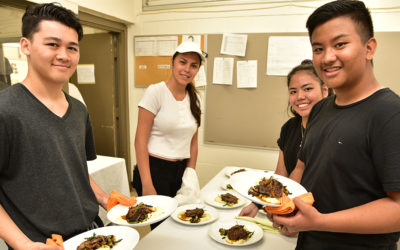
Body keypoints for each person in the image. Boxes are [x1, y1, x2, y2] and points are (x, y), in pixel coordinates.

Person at [272, 1, 400, 249]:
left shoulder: (389, 113)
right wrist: (285, 206)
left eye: (340, 44)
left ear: (369, 48)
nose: (327, 57)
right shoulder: (320, 109)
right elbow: (302, 168)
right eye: (318, 48)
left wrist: (319, 221)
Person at [0, 3, 110, 249]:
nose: (64, 55)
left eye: (72, 48)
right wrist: (22, 244)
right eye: (53, 45)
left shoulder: (79, 110)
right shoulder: (5, 111)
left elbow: (75, 169)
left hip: (91, 233)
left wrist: (104, 198)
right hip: (41, 244)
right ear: (25, 46)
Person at [239, 60, 330, 218]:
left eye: (307, 89)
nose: (300, 97)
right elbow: (281, 176)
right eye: (293, 91)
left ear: (325, 90)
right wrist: (258, 203)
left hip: (321, 218)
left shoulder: (334, 131)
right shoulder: (289, 128)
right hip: (288, 213)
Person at [133, 41, 203, 199]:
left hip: (181, 171)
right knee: (161, 223)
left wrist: (190, 176)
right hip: (154, 171)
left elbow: (193, 142)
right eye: (182, 62)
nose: (187, 69)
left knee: (182, 220)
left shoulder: (195, 98)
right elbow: (140, 141)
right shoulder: (155, 92)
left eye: (194, 65)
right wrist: (147, 184)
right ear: (172, 62)